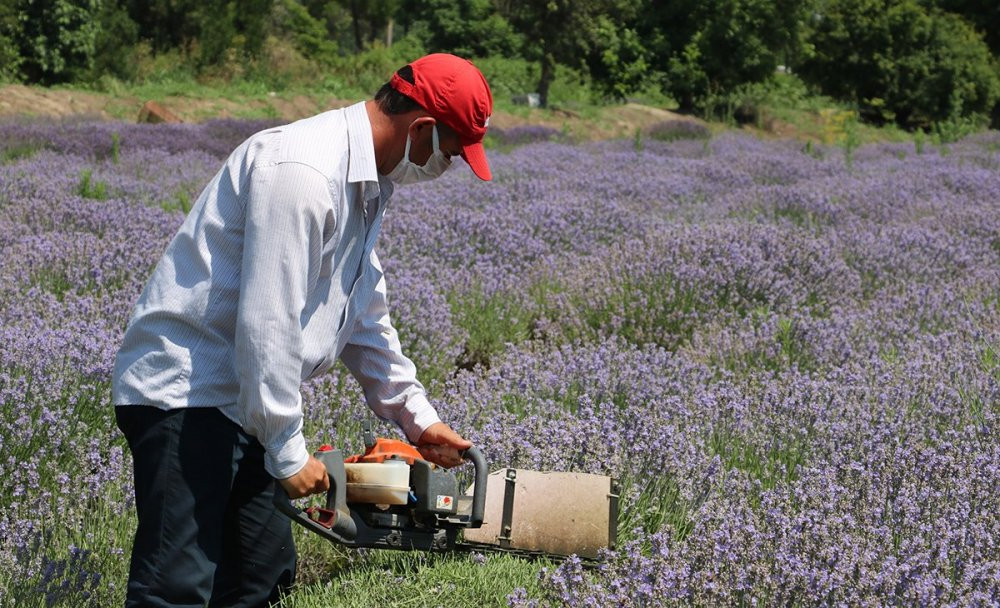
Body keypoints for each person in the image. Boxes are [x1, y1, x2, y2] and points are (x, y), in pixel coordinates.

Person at [111, 53, 493, 607]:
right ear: (424, 129)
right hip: (185, 393)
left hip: (242, 401)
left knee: (260, 579)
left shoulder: (365, 185)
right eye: (452, 152)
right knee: (177, 585)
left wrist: (419, 420)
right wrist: (289, 454)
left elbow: (362, 317)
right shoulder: (305, 172)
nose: (449, 164)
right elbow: (267, 323)